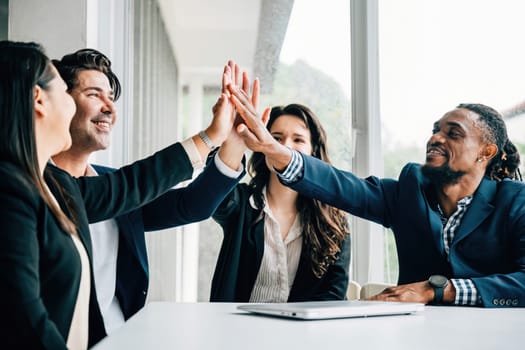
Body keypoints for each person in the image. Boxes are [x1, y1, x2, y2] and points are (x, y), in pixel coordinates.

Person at [0, 40, 238, 349]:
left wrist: (231, 141)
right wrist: (209, 136)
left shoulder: (66, 187)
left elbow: (184, 201)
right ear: (38, 99)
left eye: (111, 97)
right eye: (91, 94)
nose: (110, 107)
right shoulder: (15, 187)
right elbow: (26, 319)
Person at [228, 84, 525, 308]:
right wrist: (276, 151)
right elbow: (341, 186)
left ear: (486, 153)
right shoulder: (409, 192)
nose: (436, 138)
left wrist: (439, 289)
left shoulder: (516, 203)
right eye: (436, 130)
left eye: (453, 133)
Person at [210, 103, 351, 302]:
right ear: (262, 146)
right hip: (238, 330)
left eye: (298, 139)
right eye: (276, 138)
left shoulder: (333, 220)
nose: (285, 146)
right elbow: (212, 193)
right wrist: (227, 136)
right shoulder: (240, 202)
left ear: (313, 152)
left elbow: (333, 295)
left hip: (305, 332)